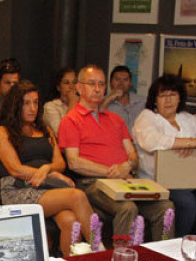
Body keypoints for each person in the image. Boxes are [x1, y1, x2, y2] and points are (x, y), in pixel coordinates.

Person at [59, 65, 173, 240]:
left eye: (101, 84)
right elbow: (74, 162)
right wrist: (111, 172)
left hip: (125, 181)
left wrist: (127, 166)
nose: (98, 89)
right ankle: (120, 259)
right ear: (79, 88)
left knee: (166, 207)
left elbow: (133, 156)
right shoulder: (71, 120)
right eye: (92, 84)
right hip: (92, 183)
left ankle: (161, 257)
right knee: (128, 207)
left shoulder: (115, 119)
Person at [0, 81, 95, 256]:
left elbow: (60, 163)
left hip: (48, 188)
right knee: (77, 196)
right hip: (18, 189)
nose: (32, 108)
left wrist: (47, 170)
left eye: (35, 102)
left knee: (71, 221)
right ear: (15, 106)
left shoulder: (45, 129)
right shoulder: (2, 131)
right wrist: (51, 176)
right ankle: (101, 252)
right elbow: (15, 169)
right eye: (26, 103)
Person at [133, 74, 196, 236]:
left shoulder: (188, 118)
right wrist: (190, 142)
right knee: (186, 204)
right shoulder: (147, 117)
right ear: (155, 99)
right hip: (160, 180)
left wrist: (193, 143)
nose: (168, 100)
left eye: (173, 95)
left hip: (192, 179)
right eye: (163, 95)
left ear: (179, 98)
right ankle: (176, 244)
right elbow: (151, 141)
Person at [102, 66, 146, 133]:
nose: (121, 84)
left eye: (125, 80)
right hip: (114, 142)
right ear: (110, 83)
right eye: (117, 79)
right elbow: (94, 121)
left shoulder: (143, 102)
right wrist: (108, 100)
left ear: (130, 83)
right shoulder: (102, 102)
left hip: (138, 143)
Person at [42, 67, 77, 136]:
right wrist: (72, 101)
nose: (72, 86)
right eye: (67, 83)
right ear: (58, 87)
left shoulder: (83, 105)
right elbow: (62, 135)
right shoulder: (50, 107)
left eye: (74, 82)